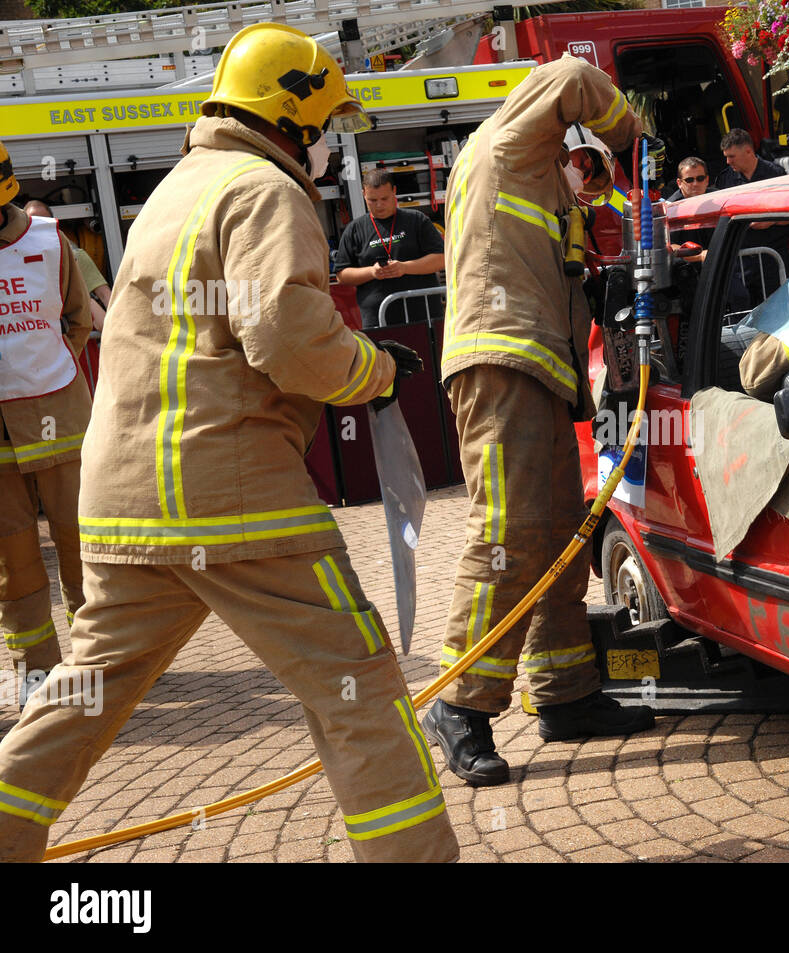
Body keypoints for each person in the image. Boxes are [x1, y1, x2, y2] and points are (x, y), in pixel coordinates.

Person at [0, 24, 459, 863]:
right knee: (356, 683)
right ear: (300, 118)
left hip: (127, 500)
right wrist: (375, 371)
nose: (327, 150)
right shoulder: (265, 191)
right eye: (327, 128)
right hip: (232, 496)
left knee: (82, 694)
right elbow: (286, 337)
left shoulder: (179, 188)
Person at [424, 54, 653, 789]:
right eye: (572, 152)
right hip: (501, 360)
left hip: (539, 367)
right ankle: (460, 704)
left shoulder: (540, 183)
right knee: (509, 529)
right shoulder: (502, 142)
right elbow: (569, 74)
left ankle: (564, 691)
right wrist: (632, 135)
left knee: (559, 528)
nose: (576, 165)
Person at [0, 140, 92, 691]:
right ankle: (38, 675)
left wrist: (42, 385)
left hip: (60, 422)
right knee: (13, 559)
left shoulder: (48, 241)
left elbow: (77, 323)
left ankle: (98, 658)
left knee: (82, 542)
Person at [335, 169, 445, 328]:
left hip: (424, 315)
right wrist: (372, 272)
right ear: (363, 193)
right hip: (378, 320)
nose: (379, 205)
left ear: (394, 191)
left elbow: (441, 259)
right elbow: (342, 275)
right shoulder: (354, 229)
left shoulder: (416, 220)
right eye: (372, 200)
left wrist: (405, 267)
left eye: (384, 198)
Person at [23, 200, 110, 330]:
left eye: (44, 222)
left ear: (54, 225)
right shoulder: (18, 265)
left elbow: (105, 296)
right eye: (33, 223)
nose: (38, 228)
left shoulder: (75, 256)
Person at [716, 129, 785, 190]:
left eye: (732, 156)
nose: (728, 162)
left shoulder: (775, 173)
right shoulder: (725, 179)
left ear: (748, 152)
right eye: (726, 157)